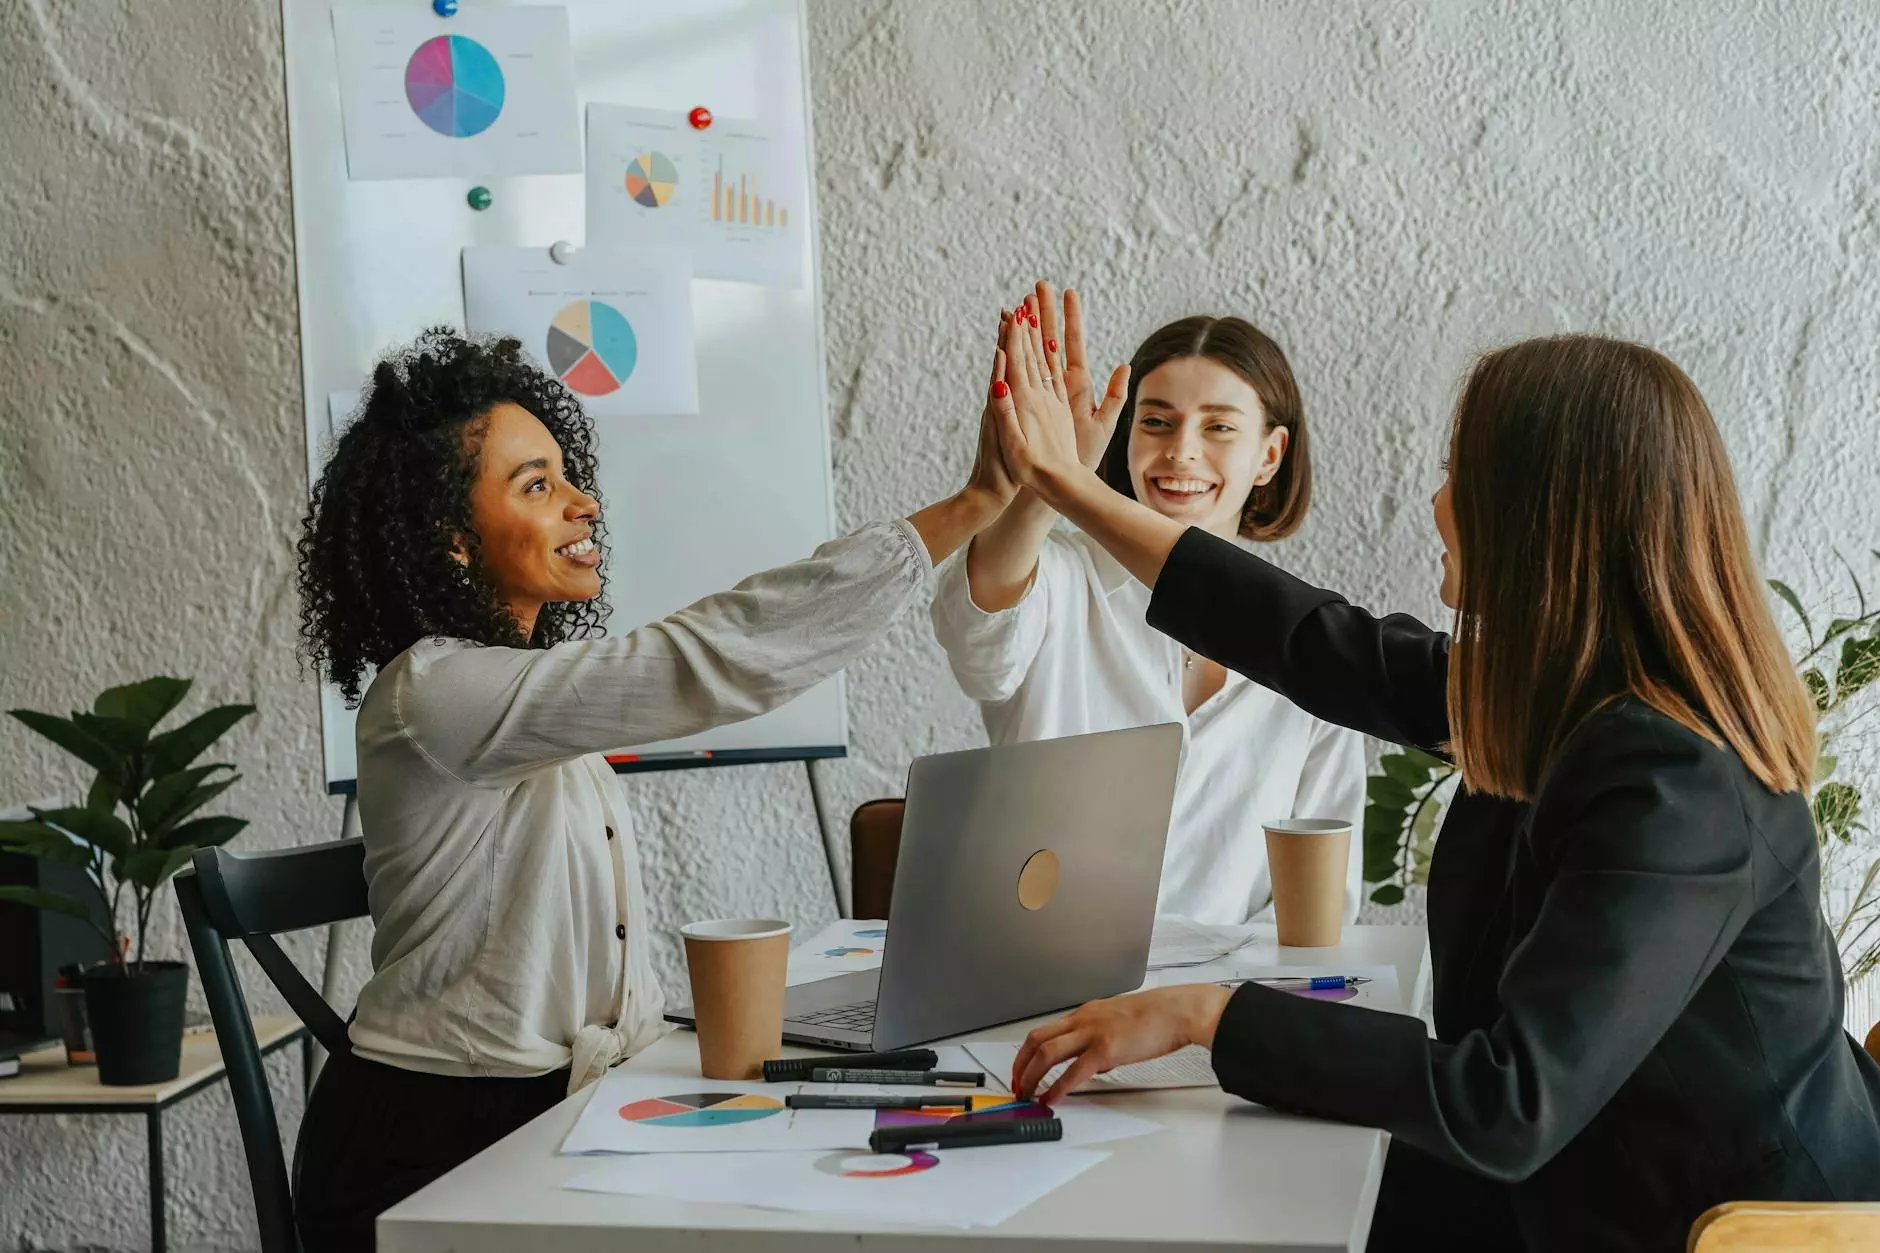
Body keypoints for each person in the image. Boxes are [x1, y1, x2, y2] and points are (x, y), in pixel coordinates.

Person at [985, 310, 1880, 1252]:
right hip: (1581, 1175)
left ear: (1542, 516)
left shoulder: (1676, 776)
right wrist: (1066, 488)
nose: (1440, 501)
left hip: (1713, 1224)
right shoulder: (1558, 695)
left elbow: (1505, 1101)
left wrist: (1208, 1013)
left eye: (1463, 473)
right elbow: (1306, 638)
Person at [289, 327, 1019, 1250]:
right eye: (536, 486)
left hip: (544, 1115)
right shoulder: (436, 692)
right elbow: (700, 663)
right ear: (451, 542)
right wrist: (974, 505)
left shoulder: (520, 697)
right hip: (434, 1145)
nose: (583, 503)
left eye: (566, 474)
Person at [931, 283, 1364, 924]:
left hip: (1221, 1007)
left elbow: (1321, 901)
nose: (1181, 450)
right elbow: (978, 635)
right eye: (1155, 421)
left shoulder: (1314, 642)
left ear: (1269, 455)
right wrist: (1053, 476)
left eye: (1218, 426)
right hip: (1041, 994)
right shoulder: (1058, 579)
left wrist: (1221, 1013)